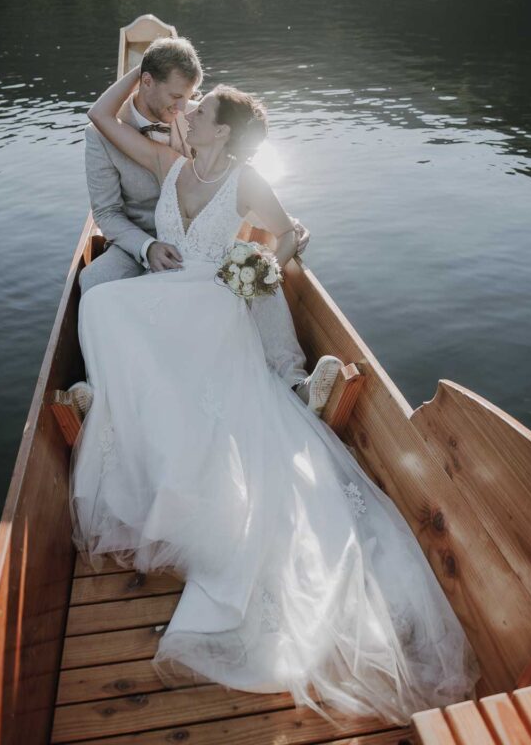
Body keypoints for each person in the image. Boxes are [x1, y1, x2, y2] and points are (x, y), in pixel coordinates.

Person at [69, 62, 480, 728]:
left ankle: (226, 390)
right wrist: (139, 69)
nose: (191, 110)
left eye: (202, 111)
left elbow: (288, 235)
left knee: (135, 327)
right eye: (190, 105)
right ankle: (124, 397)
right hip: (169, 293)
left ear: (224, 137)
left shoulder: (244, 178)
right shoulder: (174, 160)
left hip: (213, 303)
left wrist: (258, 266)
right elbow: (99, 116)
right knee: (103, 307)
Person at [78, 35, 341, 416]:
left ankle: (294, 381)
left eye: (194, 101)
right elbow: (106, 212)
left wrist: (275, 234)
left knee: (256, 266)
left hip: (207, 262)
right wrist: (146, 247)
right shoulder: (131, 146)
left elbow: (227, 178)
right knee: (95, 288)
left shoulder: (193, 124)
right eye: (179, 98)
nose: (185, 110)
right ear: (147, 82)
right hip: (139, 242)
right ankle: (101, 390)